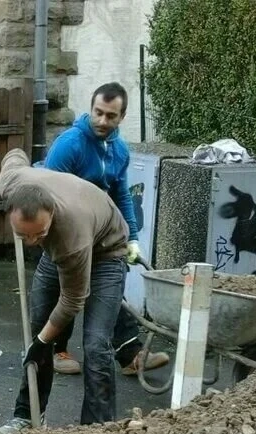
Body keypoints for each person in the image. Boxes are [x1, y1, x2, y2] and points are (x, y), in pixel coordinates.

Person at [0, 149, 128, 434]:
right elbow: (14, 155)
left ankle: (97, 431)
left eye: (38, 234)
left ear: (52, 214)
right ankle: (27, 416)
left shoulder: (71, 234)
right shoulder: (12, 182)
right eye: (23, 235)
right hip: (56, 254)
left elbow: (72, 300)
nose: (30, 242)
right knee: (37, 330)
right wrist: (39, 341)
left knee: (95, 343)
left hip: (106, 252)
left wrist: (44, 342)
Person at [42, 82, 169, 378]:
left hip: (100, 233)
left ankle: (129, 355)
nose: (102, 121)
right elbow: (47, 191)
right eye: (98, 112)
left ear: (121, 117)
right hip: (67, 232)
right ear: (91, 108)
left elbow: (121, 194)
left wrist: (132, 238)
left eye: (110, 116)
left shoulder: (119, 151)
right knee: (69, 289)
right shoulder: (69, 144)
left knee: (112, 286)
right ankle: (55, 350)